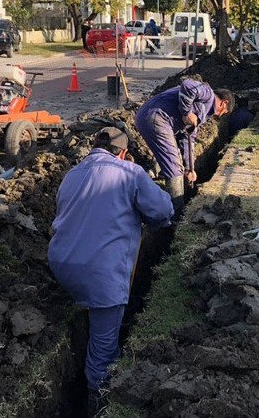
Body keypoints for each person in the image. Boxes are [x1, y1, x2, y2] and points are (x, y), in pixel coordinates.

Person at [48, 127, 174, 415]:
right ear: (124, 153)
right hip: (100, 273)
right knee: (103, 349)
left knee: (90, 302)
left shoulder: (72, 174)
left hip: (61, 263)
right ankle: (99, 402)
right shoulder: (130, 172)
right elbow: (162, 212)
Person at [135, 79, 234, 212]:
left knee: (173, 158)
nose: (220, 116)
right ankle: (175, 212)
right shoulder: (208, 94)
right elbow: (188, 85)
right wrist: (186, 113)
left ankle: (150, 174)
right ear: (224, 103)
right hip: (157, 118)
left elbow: (188, 139)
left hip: (151, 117)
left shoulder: (203, 111)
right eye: (224, 112)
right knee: (173, 165)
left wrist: (189, 168)